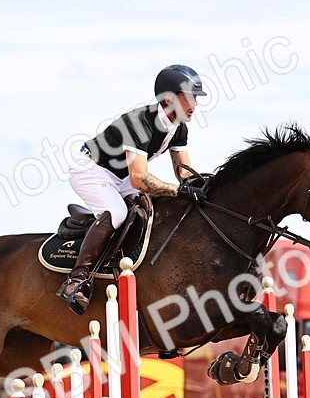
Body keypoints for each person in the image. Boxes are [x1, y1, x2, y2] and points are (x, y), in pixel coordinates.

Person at [57, 64, 210, 315]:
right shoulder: (140, 123)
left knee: (152, 210)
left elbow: (182, 170)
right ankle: (77, 279)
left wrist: (198, 186)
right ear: (170, 99)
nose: (195, 103)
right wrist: (178, 191)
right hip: (91, 169)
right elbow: (139, 178)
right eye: (190, 97)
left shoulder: (179, 126)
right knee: (117, 213)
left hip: (122, 175)